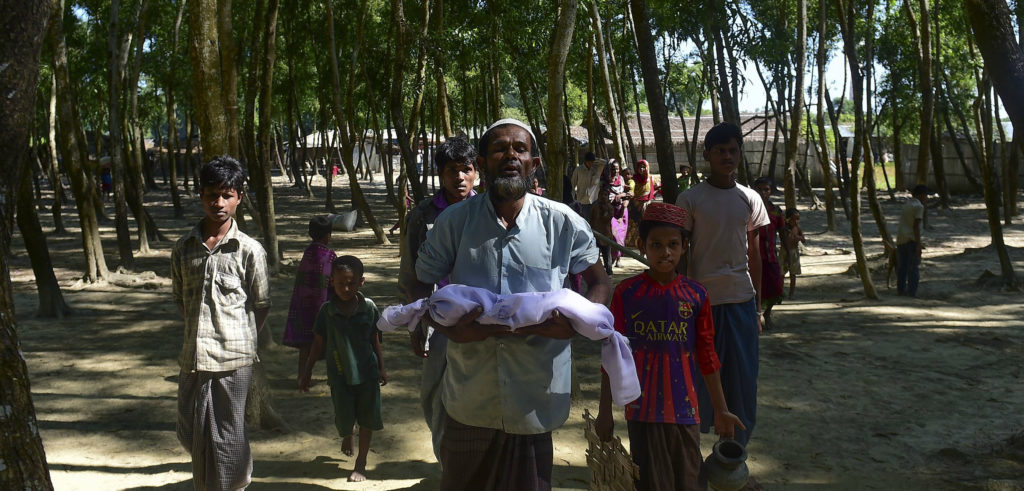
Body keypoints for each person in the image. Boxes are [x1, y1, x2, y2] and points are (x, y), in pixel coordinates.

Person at [412, 118, 611, 490]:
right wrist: (447, 328)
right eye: (498, 149)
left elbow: (599, 281)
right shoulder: (454, 222)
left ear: (533, 163)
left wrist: (578, 323)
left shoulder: (562, 222)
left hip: (534, 397)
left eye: (519, 148)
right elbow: (418, 283)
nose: (509, 155)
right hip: (468, 395)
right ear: (484, 164)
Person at [596, 202, 744, 490]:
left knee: (690, 481)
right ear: (642, 245)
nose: (665, 252)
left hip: (685, 408)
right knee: (650, 482)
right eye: (656, 244)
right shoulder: (627, 294)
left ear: (684, 246)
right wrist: (604, 413)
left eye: (673, 244)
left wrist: (721, 409)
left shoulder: (696, 295)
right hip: (641, 409)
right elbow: (612, 356)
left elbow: (707, 356)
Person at [171, 156, 271, 491]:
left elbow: (261, 304)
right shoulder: (183, 250)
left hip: (233, 360)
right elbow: (182, 303)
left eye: (227, 195)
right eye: (211, 194)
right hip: (193, 359)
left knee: (229, 437)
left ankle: (235, 487)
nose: (219, 203)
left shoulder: (249, 250)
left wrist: (238, 339)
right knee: (190, 431)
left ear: (239, 197)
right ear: (200, 195)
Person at [675, 122, 768, 448]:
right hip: (701, 303)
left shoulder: (751, 198)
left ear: (740, 155)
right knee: (698, 378)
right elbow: (680, 254)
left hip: (741, 302)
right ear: (707, 155)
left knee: (742, 380)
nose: (727, 156)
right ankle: (691, 453)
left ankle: (734, 452)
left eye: (732, 150)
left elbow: (754, 254)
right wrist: (682, 299)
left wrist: (757, 308)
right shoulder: (690, 199)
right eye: (720, 151)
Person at [397, 136, 478, 463]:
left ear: (477, 172)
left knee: (480, 396)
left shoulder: (489, 212)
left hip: (482, 322)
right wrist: (416, 323)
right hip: (439, 323)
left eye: (465, 169)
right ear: (440, 175)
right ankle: (449, 467)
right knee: (435, 397)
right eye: (450, 171)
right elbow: (411, 276)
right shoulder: (421, 217)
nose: (459, 177)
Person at [299, 255, 387, 482]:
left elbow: (375, 340)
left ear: (361, 282)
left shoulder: (369, 309)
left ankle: (361, 462)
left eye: (351, 283)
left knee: (367, 419)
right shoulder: (326, 311)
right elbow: (317, 344)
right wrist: (306, 372)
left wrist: (382, 368)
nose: (346, 288)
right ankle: (348, 433)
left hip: (368, 373)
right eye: (341, 284)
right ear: (332, 282)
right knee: (344, 417)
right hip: (339, 376)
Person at [283, 215, 337, 385]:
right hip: (322, 306)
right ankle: (333, 377)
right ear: (328, 235)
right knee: (330, 342)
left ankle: (301, 376)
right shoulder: (329, 255)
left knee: (305, 345)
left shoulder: (308, 252)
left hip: (302, 305)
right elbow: (332, 280)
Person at [753, 177, 784, 330]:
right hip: (752, 258)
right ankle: (754, 317)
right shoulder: (748, 210)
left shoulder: (776, 212)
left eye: (766, 189)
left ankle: (767, 313)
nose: (763, 192)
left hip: (771, 257)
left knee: (776, 287)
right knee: (754, 289)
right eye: (760, 189)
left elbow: (783, 234)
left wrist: (789, 255)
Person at [896, 185, 929, 297]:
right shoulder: (919, 207)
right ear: (922, 195)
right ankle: (912, 292)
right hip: (911, 240)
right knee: (913, 267)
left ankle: (901, 290)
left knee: (903, 267)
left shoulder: (907, 205)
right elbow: (916, 226)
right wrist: (919, 244)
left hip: (901, 239)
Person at [571, 151, 606, 220]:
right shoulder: (578, 170)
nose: (590, 164)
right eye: (589, 162)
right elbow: (572, 184)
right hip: (582, 201)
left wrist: (595, 159)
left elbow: (605, 162)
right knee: (584, 221)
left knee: (595, 221)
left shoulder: (597, 169)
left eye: (592, 162)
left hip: (594, 201)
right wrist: (572, 199)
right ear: (585, 161)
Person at [780, 208, 805, 299]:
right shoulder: (784, 229)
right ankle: (780, 293)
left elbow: (804, 239)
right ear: (788, 219)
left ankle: (791, 294)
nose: (796, 221)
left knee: (793, 274)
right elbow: (784, 240)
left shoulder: (798, 229)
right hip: (784, 252)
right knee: (781, 274)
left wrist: (798, 237)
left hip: (794, 252)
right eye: (794, 219)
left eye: (798, 219)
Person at [590, 186, 616, 276]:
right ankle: (597, 272)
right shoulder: (595, 207)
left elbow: (608, 218)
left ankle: (609, 272)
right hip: (596, 234)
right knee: (595, 255)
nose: (603, 197)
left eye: (605, 195)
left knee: (606, 255)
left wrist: (605, 211)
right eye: (601, 194)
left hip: (606, 235)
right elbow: (591, 219)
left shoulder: (610, 208)